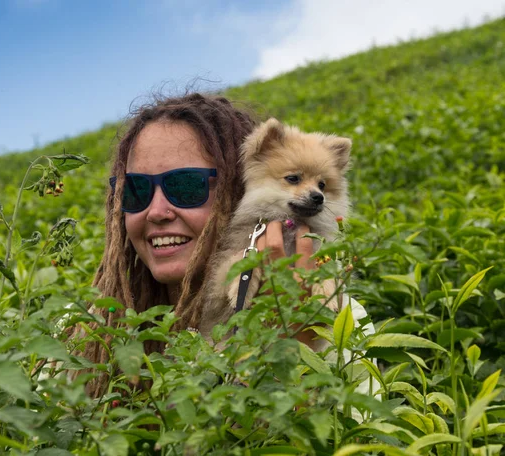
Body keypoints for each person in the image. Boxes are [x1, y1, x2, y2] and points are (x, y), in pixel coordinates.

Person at [73, 92, 369, 398]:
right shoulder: (84, 328)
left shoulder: (345, 322)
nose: (157, 211)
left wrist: (297, 350)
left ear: (237, 188)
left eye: (186, 186)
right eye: (135, 190)